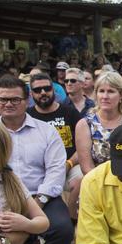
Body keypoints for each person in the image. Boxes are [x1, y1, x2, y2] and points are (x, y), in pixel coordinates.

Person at [0, 75, 74, 244]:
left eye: (15, 99)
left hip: (41, 196)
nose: (8, 104)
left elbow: (56, 170)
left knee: (63, 230)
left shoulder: (46, 131)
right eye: (3, 100)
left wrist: (38, 202)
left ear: (27, 100)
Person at [27, 73, 83, 220]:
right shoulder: (28, 116)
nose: (43, 93)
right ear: (31, 94)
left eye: (47, 88)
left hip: (69, 164)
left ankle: (72, 221)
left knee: (81, 180)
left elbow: (83, 145)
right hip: (40, 167)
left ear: (53, 90)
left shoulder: (69, 112)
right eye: (38, 90)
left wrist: (69, 164)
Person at [75, 71, 122, 175]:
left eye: (111, 91)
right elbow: (87, 168)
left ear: (121, 95)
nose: (105, 96)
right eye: (101, 91)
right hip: (98, 182)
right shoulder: (84, 124)